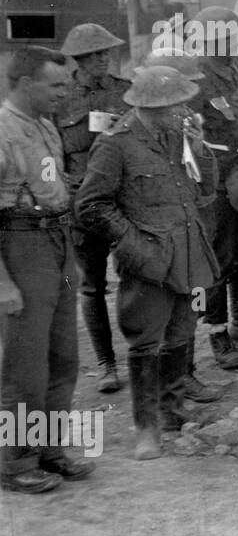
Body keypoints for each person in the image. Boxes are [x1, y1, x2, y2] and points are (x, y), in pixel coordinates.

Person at [77, 66, 220, 460]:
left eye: (179, 105)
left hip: (187, 249)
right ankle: (147, 428)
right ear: (146, 106)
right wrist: (131, 244)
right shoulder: (115, 143)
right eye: (169, 107)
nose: (178, 112)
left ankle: (173, 411)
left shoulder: (179, 135)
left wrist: (201, 147)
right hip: (148, 257)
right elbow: (91, 205)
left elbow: (206, 189)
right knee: (145, 340)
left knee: (180, 332)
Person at [0, 47, 93, 492]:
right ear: (23, 83)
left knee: (64, 358)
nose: (66, 92)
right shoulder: (2, 131)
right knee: (25, 366)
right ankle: (16, 464)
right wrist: (2, 282)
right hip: (20, 245)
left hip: (56, 240)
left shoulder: (44, 125)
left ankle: (50, 450)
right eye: (55, 85)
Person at [54, 23, 132, 394]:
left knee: (139, 277)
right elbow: (53, 154)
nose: (105, 58)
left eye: (107, 52)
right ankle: (106, 364)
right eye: (97, 54)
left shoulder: (125, 91)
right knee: (92, 286)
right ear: (80, 59)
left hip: (125, 201)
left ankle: (142, 354)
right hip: (82, 203)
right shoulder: (60, 98)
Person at [188, 6, 238, 372]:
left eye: (234, 36)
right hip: (214, 180)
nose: (233, 43)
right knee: (218, 258)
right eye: (225, 37)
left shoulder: (236, 71)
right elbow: (201, 131)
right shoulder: (197, 81)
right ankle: (217, 332)